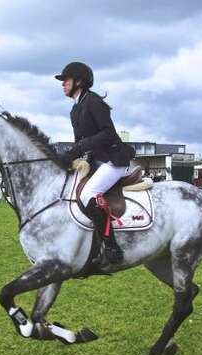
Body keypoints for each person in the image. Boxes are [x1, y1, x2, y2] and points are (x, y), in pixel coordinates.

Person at [55, 62, 135, 264]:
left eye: (66, 80)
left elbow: (108, 133)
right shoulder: (75, 109)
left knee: (88, 193)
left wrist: (80, 147)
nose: (63, 84)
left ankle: (111, 246)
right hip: (96, 162)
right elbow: (78, 144)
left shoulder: (93, 101)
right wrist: (67, 158)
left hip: (113, 160)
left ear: (79, 82)